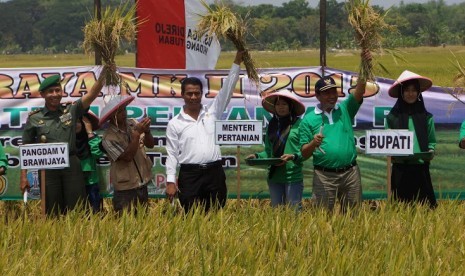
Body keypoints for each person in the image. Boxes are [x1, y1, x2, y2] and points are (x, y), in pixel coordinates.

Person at [165, 51, 243, 213]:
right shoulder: (175, 123)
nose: (193, 97)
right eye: (189, 93)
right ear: (182, 95)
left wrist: (237, 60)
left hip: (214, 173)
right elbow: (171, 154)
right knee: (191, 215)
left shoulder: (213, 111)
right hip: (190, 175)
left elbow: (227, 89)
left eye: (197, 93)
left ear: (202, 94)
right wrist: (171, 181)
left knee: (215, 215)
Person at [20, 70, 105, 216]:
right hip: (48, 169)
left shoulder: (71, 110)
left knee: (77, 210)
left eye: (58, 90)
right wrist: (23, 177)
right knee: (52, 211)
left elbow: (91, 95)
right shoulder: (34, 118)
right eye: (50, 91)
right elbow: (26, 149)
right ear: (42, 95)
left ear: (62, 92)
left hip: (71, 165)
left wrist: (104, 75)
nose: (55, 94)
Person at [300, 56, 369, 213]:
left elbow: (360, 90)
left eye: (334, 91)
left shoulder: (345, 110)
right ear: (317, 96)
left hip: (350, 173)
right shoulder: (309, 120)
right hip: (324, 176)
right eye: (326, 93)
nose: (331, 96)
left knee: (354, 218)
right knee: (322, 219)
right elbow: (303, 153)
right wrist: (313, 143)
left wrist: (365, 63)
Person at [246, 90, 307, 208]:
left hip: (292, 176)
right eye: (278, 104)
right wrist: (257, 156)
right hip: (274, 177)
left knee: (294, 213)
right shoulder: (272, 126)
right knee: (277, 213)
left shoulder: (299, 124)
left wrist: (292, 156)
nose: (281, 107)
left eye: (284, 104)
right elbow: (269, 152)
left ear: (290, 107)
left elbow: (305, 151)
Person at [386, 70, 437, 208]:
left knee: (425, 210)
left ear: (419, 93)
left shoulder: (427, 117)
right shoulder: (392, 118)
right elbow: (387, 142)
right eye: (407, 90)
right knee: (399, 208)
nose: (410, 94)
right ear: (401, 93)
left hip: (421, 168)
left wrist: (431, 151)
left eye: (414, 90)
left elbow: (431, 141)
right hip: (400, 169)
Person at [100, 95, 154, 214]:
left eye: (124, 109)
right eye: (119, 112)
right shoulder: (108, 138)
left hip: (142, 184)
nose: (123, 113)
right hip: (125, 190)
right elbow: (127, 157)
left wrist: (147, 130)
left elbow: (150, 145)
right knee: (125, 226)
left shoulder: (133, 123)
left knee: (144, 223)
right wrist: (137, 133)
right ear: (110, 117)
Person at [76, 111, 104, 213]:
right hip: (72, 183)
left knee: (94, 214)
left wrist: (89, 132)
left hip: (90, 183)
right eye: (73, 122)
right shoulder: (67, 140)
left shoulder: (92, 137)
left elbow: (97, 154)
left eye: (79, 122)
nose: (76, 125)